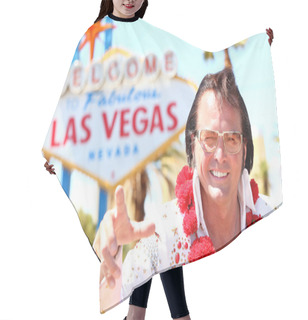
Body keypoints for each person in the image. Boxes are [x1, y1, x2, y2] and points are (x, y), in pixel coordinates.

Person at [45, 1, 191, 319]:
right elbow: (76, 96)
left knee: (157, 232)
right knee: (146, 232)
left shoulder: (151, 36)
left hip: (153, 154)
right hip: (118, 158)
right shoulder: (95, 38)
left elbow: (190, 68)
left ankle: (137, 315)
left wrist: (249, 53)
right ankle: (174, 316)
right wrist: (59, 149)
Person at [94, 68, 272, 315]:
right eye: (209, 138)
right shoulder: (165, 228)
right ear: (192, 144)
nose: (219, 156)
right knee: (167, 234)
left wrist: (263, 48)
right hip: (159, 243)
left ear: (244, 147)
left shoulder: (268, 213)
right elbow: (137, 265)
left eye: (231, 139)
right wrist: (111, 275)